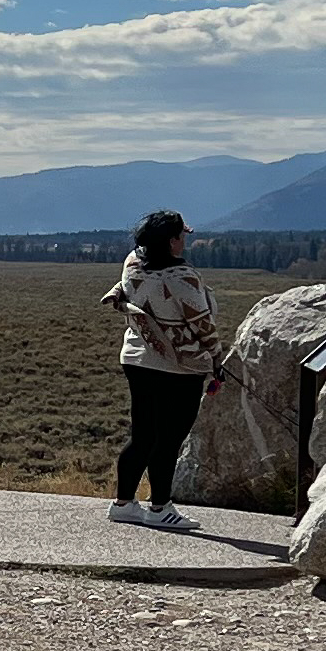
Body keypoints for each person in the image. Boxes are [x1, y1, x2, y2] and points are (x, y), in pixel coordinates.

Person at [97, 208, 217, 529]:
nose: (184, 242)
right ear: (172, 241)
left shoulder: (132, 262)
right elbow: (201, 325)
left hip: (137, 357)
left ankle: (123, 502)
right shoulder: (183, 277)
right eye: (181, 236)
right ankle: (160, 507)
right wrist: (217, 359)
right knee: (169, 439)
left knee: (143, 436)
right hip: (180, 366)